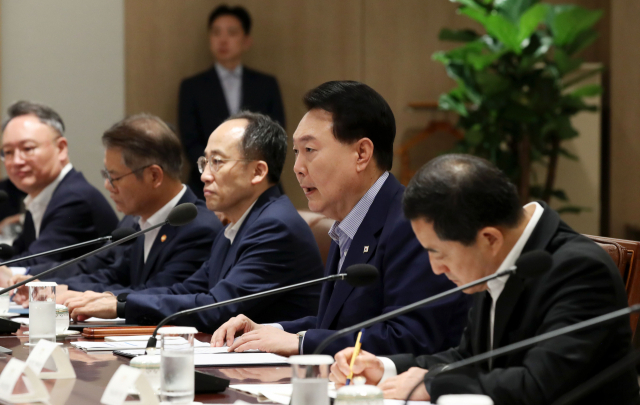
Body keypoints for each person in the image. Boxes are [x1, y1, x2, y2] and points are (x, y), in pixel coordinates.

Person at [329, 154, 640, 404]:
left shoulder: (580, 270)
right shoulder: (498, 257)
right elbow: (471, 356)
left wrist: (433, 384)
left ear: (489, 238)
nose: (436, 268)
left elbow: (539, 386)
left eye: (439, 253)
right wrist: (386, 368)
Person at [211, 81, 470, 356]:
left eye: (309, 150)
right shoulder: (348, 223)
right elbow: (335, 325)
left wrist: (302, 343)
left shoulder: (412, 225)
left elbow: (410, 337)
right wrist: (268, 330)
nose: (297, 168)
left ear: (361, 154)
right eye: (296, 152)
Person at [65, 112, 323, 333]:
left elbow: (217, 307)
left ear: (258, 172)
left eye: (217, 162)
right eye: (204, 162)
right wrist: (113, 299)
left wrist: (122, 305)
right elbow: (186, 290)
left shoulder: (275, 226)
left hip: (276, 370)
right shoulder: (237, 226)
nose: (205, 176)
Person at [10, 114, 221, 305]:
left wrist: (82, 296)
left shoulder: (198, 229)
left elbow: (157, 294)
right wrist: (53, 288)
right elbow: (112, 274)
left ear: (154, 176)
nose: (107, 185)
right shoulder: (134, 221)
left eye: (114, 177)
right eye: (106, 175)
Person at [179, 4, 285, 199]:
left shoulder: (266, 84)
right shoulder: (192, 87)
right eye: (216, 32)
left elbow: (276, 135)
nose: (223, 39)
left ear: (246, 41)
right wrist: (220, 170)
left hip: (258, 182)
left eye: (232, 32)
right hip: (206, 184)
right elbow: (190, 142)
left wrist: (247, 171)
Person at [0, 101, 117, 273]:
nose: (16, 161)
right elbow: (18, 254)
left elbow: (34, 263)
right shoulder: (41, 196)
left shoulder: (75, 199)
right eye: (8, 152)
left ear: (61, 148)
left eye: (27, 148)